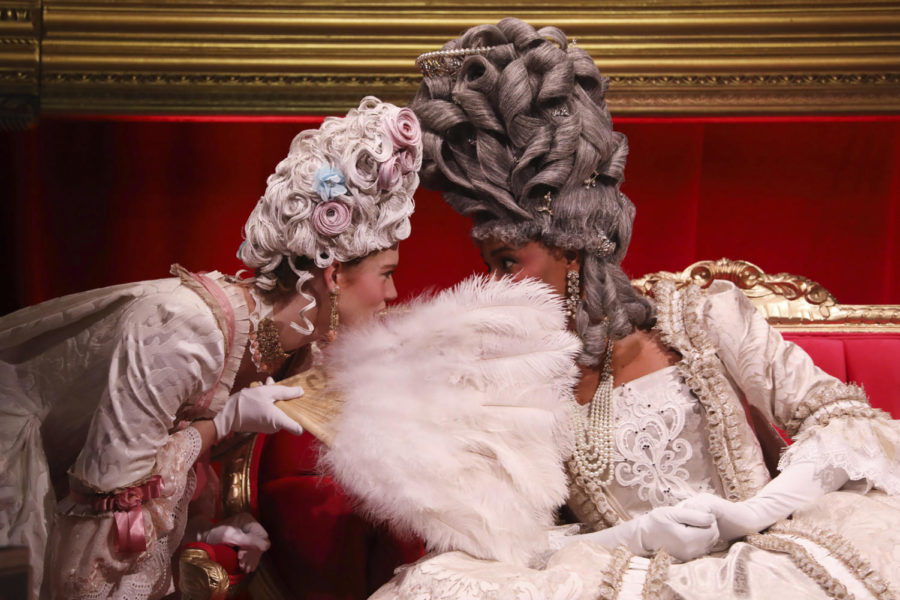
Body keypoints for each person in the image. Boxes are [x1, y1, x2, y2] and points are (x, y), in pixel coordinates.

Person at [323, 19, 900, 598]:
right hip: (626, 577)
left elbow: (843, 421)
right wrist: (639, 535)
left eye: (506, 262)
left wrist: (754, 512)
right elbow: (516, 545)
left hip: (762, 562)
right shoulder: (512, 379)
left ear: (570, 250)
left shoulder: (699, 320)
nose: (492, 284)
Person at [0, 95, 422, 599]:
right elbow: (110, 509)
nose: (393, 295)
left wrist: (199, 530)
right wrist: (222, 423)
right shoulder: (182, 329)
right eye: (387, 275)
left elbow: (162, 466)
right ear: (333, 275)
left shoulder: (296, 346)